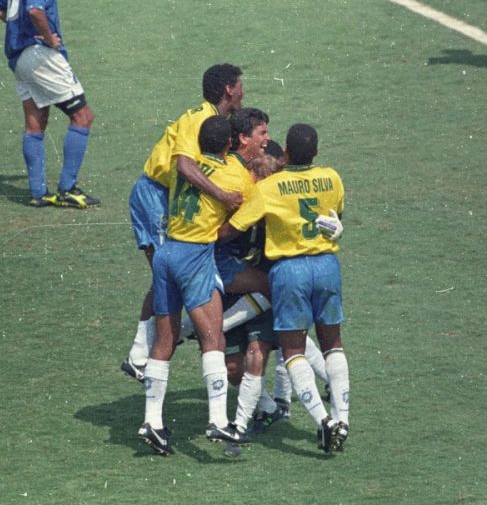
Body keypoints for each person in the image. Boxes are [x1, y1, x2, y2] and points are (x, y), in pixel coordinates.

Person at [220, 123, 350, 453]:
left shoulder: (269, 187)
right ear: (316, 152)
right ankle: (343, 419)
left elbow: (234, 228)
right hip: (327, 265)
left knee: (292, 351)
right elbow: (336, 216)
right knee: (333, 344)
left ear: (286, 152)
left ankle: (324, 421)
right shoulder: (332, 177)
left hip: (289, 270)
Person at [121, 64, 245, 383]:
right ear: (229, 89)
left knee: (170, 272)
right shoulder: (199, 119)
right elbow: (185, 166)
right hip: (156, 196)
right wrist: (223, 195)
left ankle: (151, 348)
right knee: (167, 271)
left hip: (168, 197)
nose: (243, 91)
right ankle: (140, 354)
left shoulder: (211, 118)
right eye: (240, 85)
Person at [139, 115, 253, 456]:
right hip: (195, 257)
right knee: (213, 338)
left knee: (164, 340)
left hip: (166, 253)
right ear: (229, 143)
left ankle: (152, 421)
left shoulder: (185, 168)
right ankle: (218, 420)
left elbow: (185, 162)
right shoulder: (236, 176)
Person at [0, 0, 100, 207]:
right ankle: (68, 189)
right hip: (39, 56)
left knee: (35, 122)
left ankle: (38, 194)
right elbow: (35, 9)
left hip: (18, 58)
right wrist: (48, 38)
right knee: (83, 116)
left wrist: (20, 30)